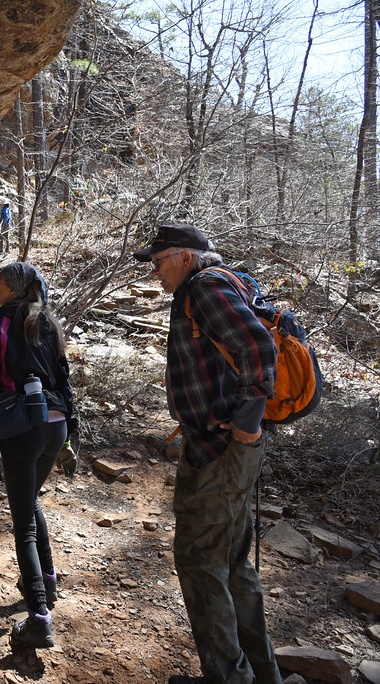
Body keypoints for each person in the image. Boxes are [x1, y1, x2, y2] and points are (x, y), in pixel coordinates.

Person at [134, 222, 282, 684]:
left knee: (200, 562)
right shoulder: (221, 283)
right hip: (223, 449)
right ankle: (258, 674)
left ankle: (227, 677)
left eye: (158, 263)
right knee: (233, 564)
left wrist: (244, 426)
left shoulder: (205, 287)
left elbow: (257, 349)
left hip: (220, 450)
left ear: (183, 256)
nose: (155, 273)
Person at [0, 262, 74, 649]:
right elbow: (62, 378)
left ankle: (39, 619)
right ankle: (47, 581)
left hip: (21, 428)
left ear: (13, 289)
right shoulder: (46, 321)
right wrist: (70, 434)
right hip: (55, 422)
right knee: (29, 503)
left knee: (23, 525)